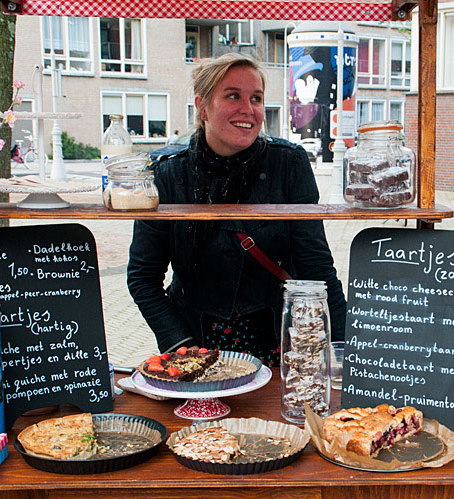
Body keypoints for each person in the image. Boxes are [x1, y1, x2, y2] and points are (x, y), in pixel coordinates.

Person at [127, 53, 345, 367]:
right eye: (233, 96)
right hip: (195, 342)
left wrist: (345, 350)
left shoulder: (288, 163)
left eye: (256, 98)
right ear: (202, 106)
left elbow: (317, 269)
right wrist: (182, 348)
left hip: (278, 344)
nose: (248, 109)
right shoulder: (169, 175)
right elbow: (143, 278)